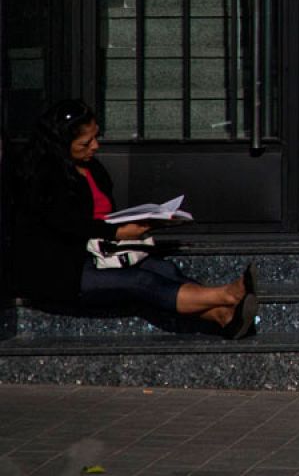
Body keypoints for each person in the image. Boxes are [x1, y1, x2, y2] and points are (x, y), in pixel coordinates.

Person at [9, 99, 257, 337]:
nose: (95, 146)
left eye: (96, 137)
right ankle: (227, 296)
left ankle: (223, 317)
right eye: (85, 143)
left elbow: (105, 214)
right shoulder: (43, 175)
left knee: (164, 269)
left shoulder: (93, 168)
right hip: (63, 270)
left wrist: (145, 222)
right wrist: (116, 233)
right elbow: (64, 222)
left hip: (103, 252)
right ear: (62, 143)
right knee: (141, 282)